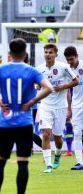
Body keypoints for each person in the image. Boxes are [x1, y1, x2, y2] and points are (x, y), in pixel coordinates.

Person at [0, 38, 53, 194]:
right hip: (25, 124)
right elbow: (48, 88)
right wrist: (33, 100)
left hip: (5, 124)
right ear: (25, 53)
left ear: (10, 53)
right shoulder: (32, 70)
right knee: (23, 163)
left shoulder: (0, 69)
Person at [36, 43, 79, 173]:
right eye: (46, 52)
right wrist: (37, 86)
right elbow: (35, 84)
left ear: (56, 54)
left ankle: (58, 154)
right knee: (45, 134)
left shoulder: (64, 67)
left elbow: (76, 81)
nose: (47, 54)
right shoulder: (39, 69)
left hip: (60, 107)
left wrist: (62, 87)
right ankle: (48, 165)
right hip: (45, 105)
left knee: (58, 137)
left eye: (50, 52)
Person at [64, 46, 83, 170]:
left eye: (72, 59)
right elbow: (68, 91)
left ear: (77, 56)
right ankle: (80, 162)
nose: (70, 62)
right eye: (68, 60)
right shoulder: (67, 70)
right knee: (77, 133)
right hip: (76, 105)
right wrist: (69, 108)